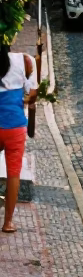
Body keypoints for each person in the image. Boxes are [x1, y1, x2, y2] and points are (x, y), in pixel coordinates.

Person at [0, 46, 38, 233]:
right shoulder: (25, 61)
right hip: (15, 126)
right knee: (13, 174)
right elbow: (32, 94)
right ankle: (7, 223)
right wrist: (21, 102)